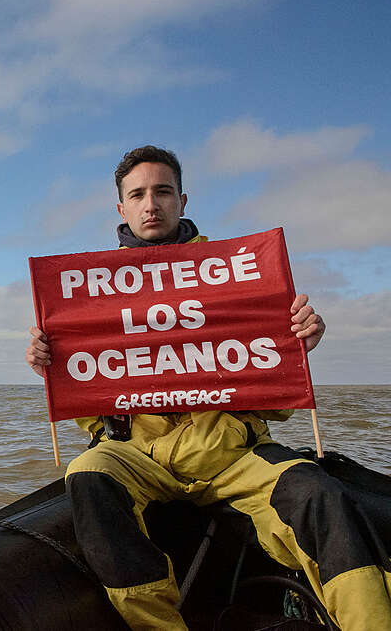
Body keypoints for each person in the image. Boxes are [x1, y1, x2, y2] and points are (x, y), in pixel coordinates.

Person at [26, 146, 391, 630]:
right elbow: (95, 405)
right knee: (87, 472)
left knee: (318, 494)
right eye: (137, 194)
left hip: (233, 454)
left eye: (162, 191)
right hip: (140, 454)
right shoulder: (85, 289)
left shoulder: (241, 270)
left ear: (182, 200)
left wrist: (297, 343)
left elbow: (274, 394)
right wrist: (53, 367)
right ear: (121, 208)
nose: (150, 204)